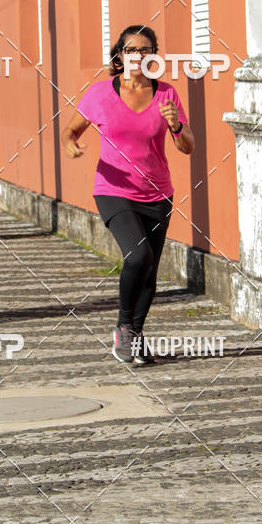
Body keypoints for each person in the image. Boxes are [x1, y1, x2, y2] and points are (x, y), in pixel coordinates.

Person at [61, 24, 194, 365]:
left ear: (154, 56)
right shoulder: (100, 94)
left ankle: (136, 337)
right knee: (138, 258)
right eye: (132, 50)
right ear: (120, 56)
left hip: (157, 194)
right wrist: (70, 145)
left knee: (150, 270)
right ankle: (123, 327)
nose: (138, 55)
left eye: (145, 49)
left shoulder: (167, 94)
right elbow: (71, 130)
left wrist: (176, 124)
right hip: (113, 190)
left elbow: (187, 147)